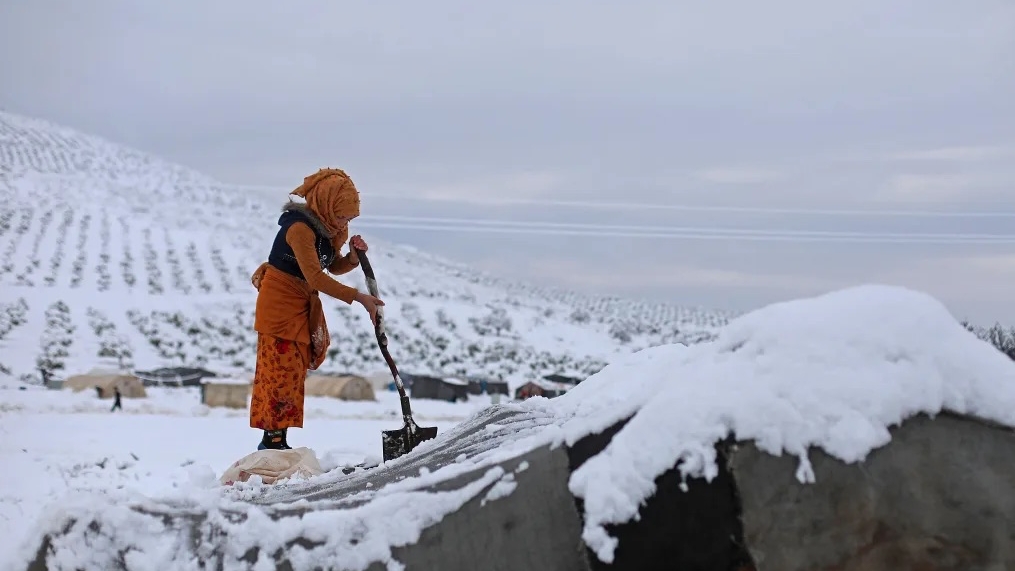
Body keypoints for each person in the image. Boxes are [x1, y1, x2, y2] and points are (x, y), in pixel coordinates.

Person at [248, 168, 384, 450]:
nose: (344, 222)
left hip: (301, 301)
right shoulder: (299, 229)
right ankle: (271, 442)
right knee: (277, 372)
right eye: (341, 215)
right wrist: (359, 298)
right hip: (280, 304)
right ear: (325, 204)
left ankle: (280, 440)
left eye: (349, 217)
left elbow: (332, 265)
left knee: (294, 373)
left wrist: (353, 258)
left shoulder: (331, 229)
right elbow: (316, 277)